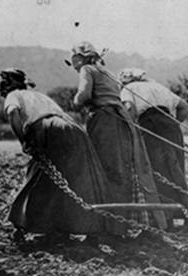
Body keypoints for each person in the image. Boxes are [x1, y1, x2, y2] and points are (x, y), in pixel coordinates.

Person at [0, 68, 110, 243]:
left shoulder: (13, 95)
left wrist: (24, 141)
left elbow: (13, 113)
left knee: (39, 176)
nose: (3, 88)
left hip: (48, 128)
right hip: (73, 128)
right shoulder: (39, 96)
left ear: (11, 86)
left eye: (5, 84)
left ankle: (21, 225)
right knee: (78, 178)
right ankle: (87, 228)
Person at [70, 42, 168, 233]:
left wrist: (75, 101)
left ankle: (111, 227)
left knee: (106, 169)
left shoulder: (87, 70)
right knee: (122, 170)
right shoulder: (107, 73)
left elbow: (83, 96)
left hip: (105, 120)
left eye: (73, 58)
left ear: (80, 58)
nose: (73, 64)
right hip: (122, 121)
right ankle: (122, 224)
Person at [119, 68, 188, 213]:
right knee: (176, 169)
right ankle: (185, 211)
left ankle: (167, 215)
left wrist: (131, 129)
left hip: (150, 126)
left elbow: (130, 109)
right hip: (171, 127)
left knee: (157, 170)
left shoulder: (128, 89)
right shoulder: (158, 86)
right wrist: (172, 124)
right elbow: (184, 107)